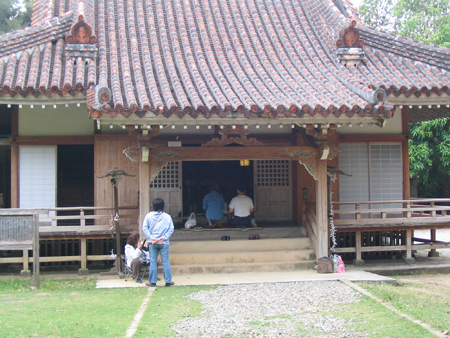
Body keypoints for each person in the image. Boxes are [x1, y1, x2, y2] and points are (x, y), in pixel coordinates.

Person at [142, 198, 175, 287]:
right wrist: (163, 238)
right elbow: (171, 228)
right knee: (166, 262)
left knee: (153, 261)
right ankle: (168, 281)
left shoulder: (148, 216)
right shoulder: (167, 216)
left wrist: (151, 237)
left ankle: (152, 281)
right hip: (163, 242)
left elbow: (144, 227)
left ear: (153, 206)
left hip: (152, 242)